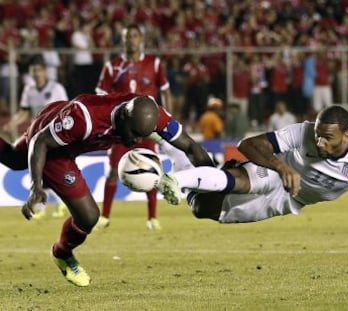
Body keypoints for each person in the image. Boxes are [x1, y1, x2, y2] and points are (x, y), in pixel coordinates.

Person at [0, 93, 213, 287]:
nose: (138, 141)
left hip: (58, 123)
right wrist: (36, 186)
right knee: (89, 216)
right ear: (123, 119)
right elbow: (40, 142)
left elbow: (191, 147)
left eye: (143, 135)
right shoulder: (85, 120)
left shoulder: (154, 114)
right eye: (135, 134)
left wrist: (216, 182)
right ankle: (62, 254)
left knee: (11, 157)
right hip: (53, 146)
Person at [157, 105, 348, 229]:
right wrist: (281, 167)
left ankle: (175, 154)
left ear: (346, 135)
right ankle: (176, 179)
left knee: (203, 209)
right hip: (276, 173)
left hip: (291, 201)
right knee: (241, 180)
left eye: (328, 138)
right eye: (318, 136)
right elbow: (248, 145)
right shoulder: (303, 132)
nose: (320, 143)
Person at [95, 24, 172, 231]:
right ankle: (105, 216)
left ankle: (152, 217)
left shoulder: (154, 64)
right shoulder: (112, 66)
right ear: (123, 40)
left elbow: (165, 91)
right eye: (127, 37)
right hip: (120, 129)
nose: (131, 40)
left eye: (135, 36)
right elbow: (100, 96)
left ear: (141, 40)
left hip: (147, 127)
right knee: (112, 171)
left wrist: (169, 119)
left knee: (151, 169)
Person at [2, 55, 68, 219]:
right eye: (33, 71)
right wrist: (12, 123)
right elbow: (24, 112)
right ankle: (46, 206)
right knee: (40, 171)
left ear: (44, 71)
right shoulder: (29, 90)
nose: (36, 74)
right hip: (36, 136)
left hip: (54, 136)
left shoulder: (56, 88)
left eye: (39, 70)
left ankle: (53, 204)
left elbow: (67, 110)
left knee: (47, 170)